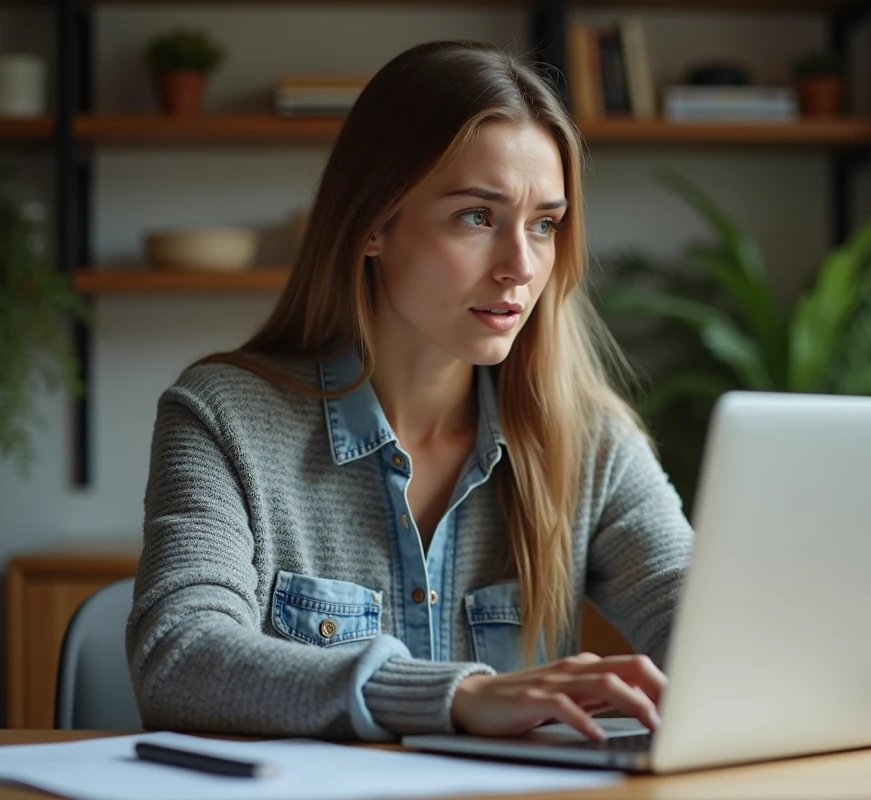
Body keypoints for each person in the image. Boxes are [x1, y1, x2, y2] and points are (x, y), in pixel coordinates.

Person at [125, 40, 694, 743]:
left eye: (544, 224)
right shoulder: (222, 419)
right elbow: (178, 657)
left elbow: (701, 625)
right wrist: (456, 696)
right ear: (372, 224)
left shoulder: (590, 443)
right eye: (477, 217)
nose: (520, 266)